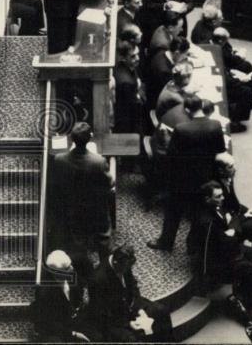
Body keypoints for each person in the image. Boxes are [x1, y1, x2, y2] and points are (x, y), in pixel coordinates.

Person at [148, 95, 226, 251]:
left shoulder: (181, 129)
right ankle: (193, 246)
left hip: (181, 180)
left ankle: (166, 243)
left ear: (187, 110)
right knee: (199, 212)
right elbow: (219, 150)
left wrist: (167, 138)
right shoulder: (216, 125)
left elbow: (171, 155)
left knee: (173, 213)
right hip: (205, 178)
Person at [51, 122, 113, 257]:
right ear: (90, 138)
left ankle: (80, 257)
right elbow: (109, 183)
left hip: (71, 206)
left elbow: (57, 183)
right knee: (104, 226)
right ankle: (104, 257)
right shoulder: (99, 161)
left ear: (72, 139)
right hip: (94, 207)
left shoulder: (59, 159)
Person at [87, 244, 173, 342]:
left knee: (162, 310)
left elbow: (133, 286)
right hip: (115, 318)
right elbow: (102, 313)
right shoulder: (97, 280)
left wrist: (140, 310)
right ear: (115, 263)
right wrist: (129, 324)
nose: (126, 271)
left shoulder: (124, 263)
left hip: (130, 306)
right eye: (124, 269)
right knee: (131, 339)